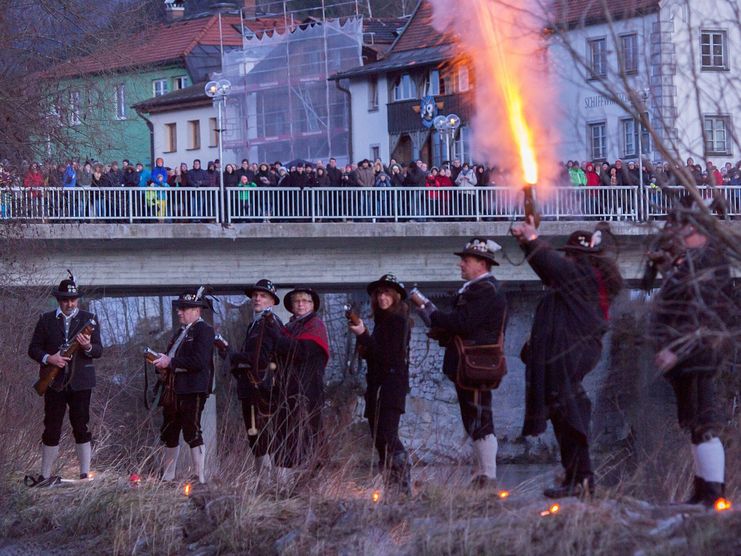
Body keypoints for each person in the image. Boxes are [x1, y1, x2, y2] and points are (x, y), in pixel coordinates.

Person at [512, 219, 623, 498]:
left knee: (570, 411)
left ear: (580, 258)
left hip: (573, 352)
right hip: (570, 351)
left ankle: (583, 479)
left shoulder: (583, 276)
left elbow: (552, 267)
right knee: (563, 411)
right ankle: (575, 478)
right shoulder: (580, 279)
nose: (566, 259)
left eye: (570, 254)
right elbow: (550, 270)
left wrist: (532, 239)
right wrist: (529, 244)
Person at [649, 203, 735, 507]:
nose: (673, 233)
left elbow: (702, 315)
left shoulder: (708, 264)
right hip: (687, 356)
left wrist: (676, 348)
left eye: (678, 227)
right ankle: (702, 490)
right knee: (693, 422)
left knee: (703, 420)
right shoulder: (690, 263)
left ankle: (713, 493)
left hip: (699, 354)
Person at [414, 240, 507, 488]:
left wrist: (433, 314)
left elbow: (464, 323)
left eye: (467, 260)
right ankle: (480, 474)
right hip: (472, 362)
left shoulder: (485, 289)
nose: (461, 264)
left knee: (479, 417)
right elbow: (465, 325)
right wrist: (442, 329)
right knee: (474, 416)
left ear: (482, 263)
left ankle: (487, 476)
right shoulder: (479, 288)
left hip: (477, 363)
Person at [26, 272, 103, 487]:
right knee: (51, 426)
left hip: (81, 382)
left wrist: (87, 346)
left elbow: (98, 350)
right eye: (66, 300)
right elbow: (33, 349)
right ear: (59, 300)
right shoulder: (46, 320)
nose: (70, 304)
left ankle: (84, 475)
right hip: (54, 382)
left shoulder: (90, 320)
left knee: (81, 425)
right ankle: (44, 475)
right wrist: (50, 358)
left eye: (73, 299)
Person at [349, 274, 413, 495]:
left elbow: (387, 356)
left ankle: (402, 488)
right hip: (378, 387)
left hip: (390, 386)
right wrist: (364, 337)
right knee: (380, 438)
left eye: (387, 293)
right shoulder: (383, 322)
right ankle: (392, 489)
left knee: (388, 435)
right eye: (379, 293)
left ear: (395, 296)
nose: (383, 297)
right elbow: (374, 355)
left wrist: (364, 335)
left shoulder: (398, 321)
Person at [263, 287, 329, 482]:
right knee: (286, 435)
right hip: (287, 391)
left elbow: (299, 351)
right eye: (297, 301)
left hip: (307, 392)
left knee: (305, 435)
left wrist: (276, 337)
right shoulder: (289, 328)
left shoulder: (316, 326)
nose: (301, 304)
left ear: (312, 305)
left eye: (305, 301)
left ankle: (308, 481)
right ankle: (285, 481)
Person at [151, 288, 215, 485]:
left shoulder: (204, 330)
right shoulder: (181, 331)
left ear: (197, 310)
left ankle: (200, 477)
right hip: (175, 389)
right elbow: (174, 359)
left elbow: (199, 361)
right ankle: (168, 476)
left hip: (193, 388)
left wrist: (170, 362)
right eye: (180, 308)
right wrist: (161, 362)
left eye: (184, 308)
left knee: (192, 430)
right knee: (169, 430)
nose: (179, 312)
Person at [230, 279, 284, 477]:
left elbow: (262, 358)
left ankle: (267, 482)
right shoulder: (256, 323)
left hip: (261, 388)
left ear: (272, 301)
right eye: (255, 295)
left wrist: (234, 355)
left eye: (262, 296)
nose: (257, 299)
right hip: (253, 387)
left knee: (260, 433)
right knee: (255, 434)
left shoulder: (269, 323)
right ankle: (265, 481)